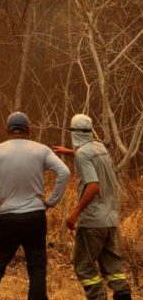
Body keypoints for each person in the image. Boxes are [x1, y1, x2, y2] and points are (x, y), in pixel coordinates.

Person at [0, 112, 70, 300]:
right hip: (35, 216)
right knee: (36, 267)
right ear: (29, 130)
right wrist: (51, 201)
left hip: (7, 217)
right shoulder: (41, 150)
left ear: (7, 130)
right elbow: (64, 172)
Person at [53, 114, 132, 300]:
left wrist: (75, 214)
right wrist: (71, 152)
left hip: (92, 222)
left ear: (73, 133)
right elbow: (92, 159)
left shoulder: (83, 155)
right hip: (110, 219)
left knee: (85, 268)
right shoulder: (100, 147)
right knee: (113, 269)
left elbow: (93, 185)